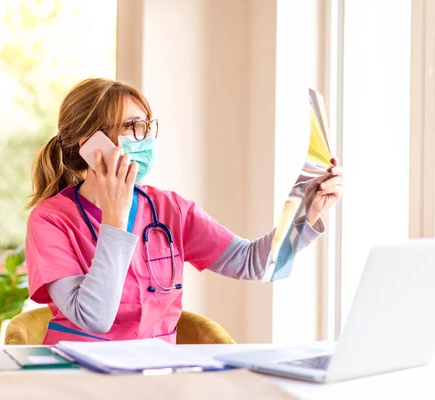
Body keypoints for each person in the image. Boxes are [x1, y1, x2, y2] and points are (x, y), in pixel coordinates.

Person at [25, 78, 344, 345]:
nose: (146, 138)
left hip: (156, 377)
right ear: (93, 148)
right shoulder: (51, 220)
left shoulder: (169, 208)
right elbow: (93, 318)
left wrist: (307, 210)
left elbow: (252, 263)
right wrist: (116, 220)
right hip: (78, 380)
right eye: (134, 127)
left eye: (148, 126)